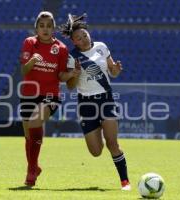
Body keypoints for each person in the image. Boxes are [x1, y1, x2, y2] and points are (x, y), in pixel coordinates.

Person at [60, 14, 131, 190]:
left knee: (112, 143)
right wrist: (74, 75)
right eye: (78, 38)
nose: (83, 39)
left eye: (84, 35)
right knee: (96, 152)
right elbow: (70, 86)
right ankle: (96, 128)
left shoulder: (101, 47)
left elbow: (112, 71)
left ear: (89, 34)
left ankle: (125, 182)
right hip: (86, 104)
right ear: (74, 42)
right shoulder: (72, 57)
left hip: (106, 99)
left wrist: (116, 70)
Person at [19, 11, 79, 186]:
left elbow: (60, 76)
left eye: (49, 26)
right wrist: (32, 61)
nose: (45, 29)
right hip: (29, 94)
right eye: (41, 26)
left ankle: (30, 173)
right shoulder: (29, 43)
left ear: (54, 28)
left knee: (35, 123)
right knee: (29, 137)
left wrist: (71, 74)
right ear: (36, 28)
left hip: (50, 95)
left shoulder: (61, 48)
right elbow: (24, 70)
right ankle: (34, 166)